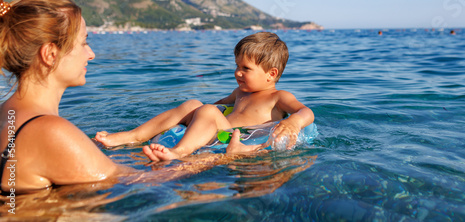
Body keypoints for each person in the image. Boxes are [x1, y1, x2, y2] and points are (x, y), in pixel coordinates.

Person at [95, 32, 315, 162]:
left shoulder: (278, 97)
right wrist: (196, 114)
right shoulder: (240, 92)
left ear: (271, 74)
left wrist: (294, 121)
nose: (237, 72)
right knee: (194, 104)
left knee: (206, 110)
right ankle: (132, 136)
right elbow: (215, 107)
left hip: (238, 138)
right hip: (219, 133)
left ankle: (178, 152)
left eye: (245, 68)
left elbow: (306, 112)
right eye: (236, 66)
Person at [0, 0, 134, 194]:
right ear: (51, 54)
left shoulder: (7, 114)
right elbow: (145, 182)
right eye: (83, 43)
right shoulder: (48, 131)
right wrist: (196, 155)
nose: (91, 54)